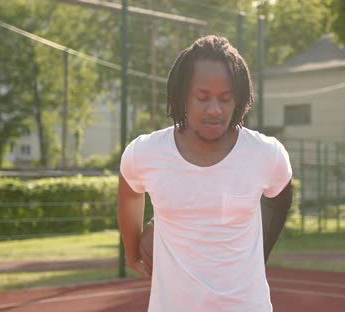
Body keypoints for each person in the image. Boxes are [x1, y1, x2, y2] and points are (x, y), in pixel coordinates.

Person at [117, 35, 293, 312]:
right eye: (202, 98)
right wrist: (132, 251)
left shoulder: (266, 154)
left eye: (225, 99)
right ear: (182, 96)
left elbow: (280, 198)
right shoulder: (146, 153)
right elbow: (129, 191)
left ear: (239, 99)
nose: (214, 109)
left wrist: (260, 252)